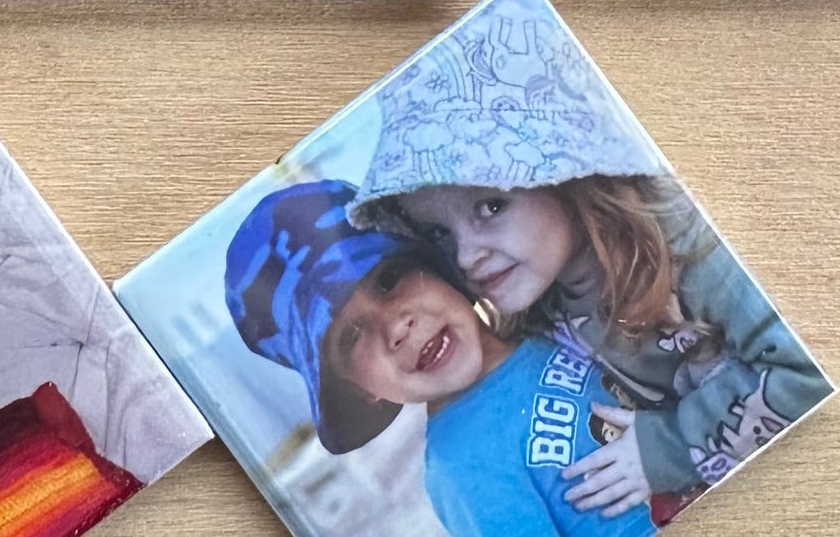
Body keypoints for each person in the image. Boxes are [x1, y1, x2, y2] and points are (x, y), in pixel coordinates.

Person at [348, 0, 834, 513]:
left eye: (490, 206)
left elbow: (807, 371)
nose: (466, 256)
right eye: (440, 235)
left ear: (562, 177)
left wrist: (664, 449)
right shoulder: (543, 308)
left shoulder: (683, 243)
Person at [226, 179, 661, 537]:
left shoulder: (553, 320)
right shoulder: (459, 470)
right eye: (351, 336)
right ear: (360, 390)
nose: (395, 327)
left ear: (441, 269)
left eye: (389, 278)